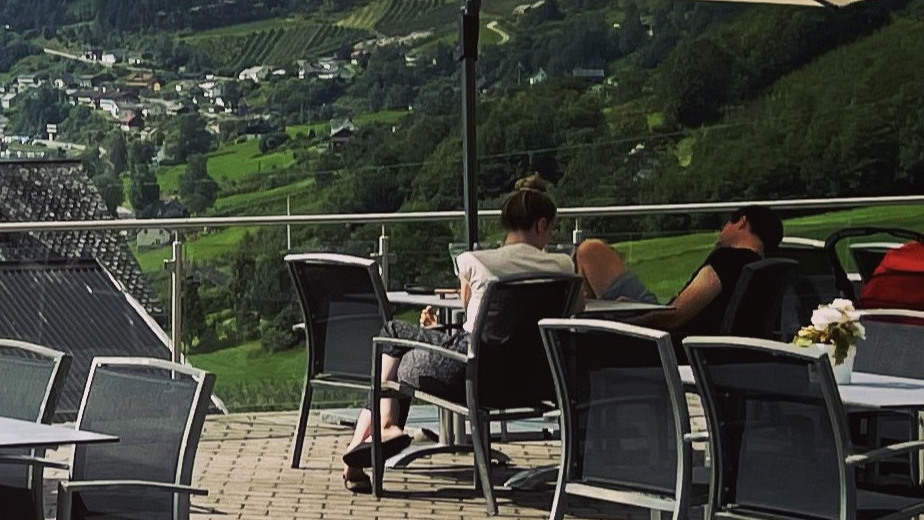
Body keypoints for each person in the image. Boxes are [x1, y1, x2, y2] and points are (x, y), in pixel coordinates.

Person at [337, 176, 580, 490]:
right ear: (542, 224)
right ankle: (365, 447)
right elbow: (574, 311)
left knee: (393, 334)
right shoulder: (563, 268)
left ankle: (383, 427)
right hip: (535, 380)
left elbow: (472, 321)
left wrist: (435, 332)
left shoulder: (474, 262)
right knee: (401, 354)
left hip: (473, 374)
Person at [575, 205, 786, 334]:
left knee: (589, 251)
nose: (720, 231)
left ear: (741, 222)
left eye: (726, 224)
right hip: (704, 348)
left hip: (667, 342)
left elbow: (673, 317)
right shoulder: (766, 270)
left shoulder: (728, 260)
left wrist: (623, 321)